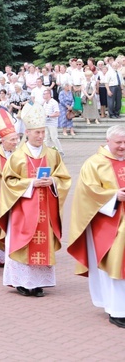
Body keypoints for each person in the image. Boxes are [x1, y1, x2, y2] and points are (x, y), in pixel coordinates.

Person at [0, 103, 71, 297]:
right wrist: (31, 184)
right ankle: (21, 282)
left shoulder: (52, 154)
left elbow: (64, 178)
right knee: (24, 243)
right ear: (28, 133)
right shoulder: (18, 156)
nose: (41, 136)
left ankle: (38, 282)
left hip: (45, 208)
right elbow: (8, 182)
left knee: (41, 243)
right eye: (37, 132)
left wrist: (53, 181)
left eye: (42, 132)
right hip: (23, 208)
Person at [68, 125, 125, 328]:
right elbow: (87, 193)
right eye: (118, 143)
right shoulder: (94, 163)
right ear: (108, 141)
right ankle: (116, 309)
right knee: (114, 263)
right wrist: (114, 196)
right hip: (107, 224)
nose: (122, 147)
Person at [0, 108, 20, 266]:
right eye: (12, 140)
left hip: (15, 197)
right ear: (2, 141)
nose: (16, 143)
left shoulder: (19, 153)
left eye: (17, 139)